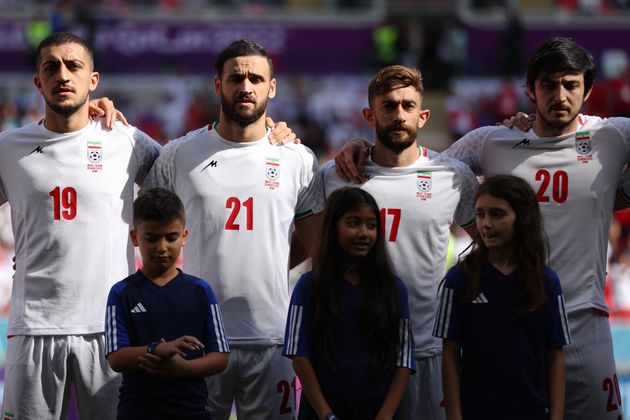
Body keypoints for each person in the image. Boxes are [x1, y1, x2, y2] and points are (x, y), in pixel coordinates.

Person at [335, 37, 628, 420]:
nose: (560, 95)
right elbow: (415, 171)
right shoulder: (490, 141)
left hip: (584, 320)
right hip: (506, 322)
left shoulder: (614, 136)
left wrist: (607, 198)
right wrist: (363, 145)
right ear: (530, 90)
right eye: (548, 84)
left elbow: (605, 193)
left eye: (571, 84)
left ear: (588, 90)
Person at [144, 39, 325, 419]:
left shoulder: (297, 159)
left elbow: (316, 244)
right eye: (236, 78)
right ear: (218, 85)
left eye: (256, 78)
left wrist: (271, 261)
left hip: (272, 339)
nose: (246, 86)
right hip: (196, 337)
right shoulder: (178, 154)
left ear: (271, 88)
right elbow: (150, 234)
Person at [0, 32, 161, 419]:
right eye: (51, 67)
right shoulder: (8, 148)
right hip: (33, 327)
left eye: (74, 66)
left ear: (93, 80)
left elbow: (189, 176)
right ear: (38, 82)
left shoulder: (127, 140)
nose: (62, 75)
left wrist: (267, 134)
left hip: (111, 330)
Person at [320, 65, 477, 420]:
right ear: (369, 114)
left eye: (408, 106)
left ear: (423, 116)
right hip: (355, 352)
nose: (399, 115)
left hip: (427, 351)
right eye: (389, 106)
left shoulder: (453, 176)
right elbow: (308, 244)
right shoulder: (335, 176)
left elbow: (488, 243)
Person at [433, 175, 570, 420]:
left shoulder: (547, 282)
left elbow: (555, 356)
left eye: (497, 214)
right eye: (480, 214)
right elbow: (450, 355)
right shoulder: (458, 280)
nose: (485, 224)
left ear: (522, 218)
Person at [283, 187, 415, 420]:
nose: (364, 233)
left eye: (372, 225)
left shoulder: (394, 289)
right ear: (333, 228)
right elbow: (299, 355)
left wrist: (385, 415)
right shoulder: (309, 286)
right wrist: (327, 415)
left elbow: (403, 360)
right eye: (353, 223)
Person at [105, 187, 230, 419]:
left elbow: (220, 356)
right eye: (151, 238)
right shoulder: (122, 293)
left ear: (184, 236)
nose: (162, 247)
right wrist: (155, 349)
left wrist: (182, 369)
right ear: (135, 237)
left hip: (191, 412)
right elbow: (116, 357)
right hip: (138, 411)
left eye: (171, 237)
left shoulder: (200, 291)